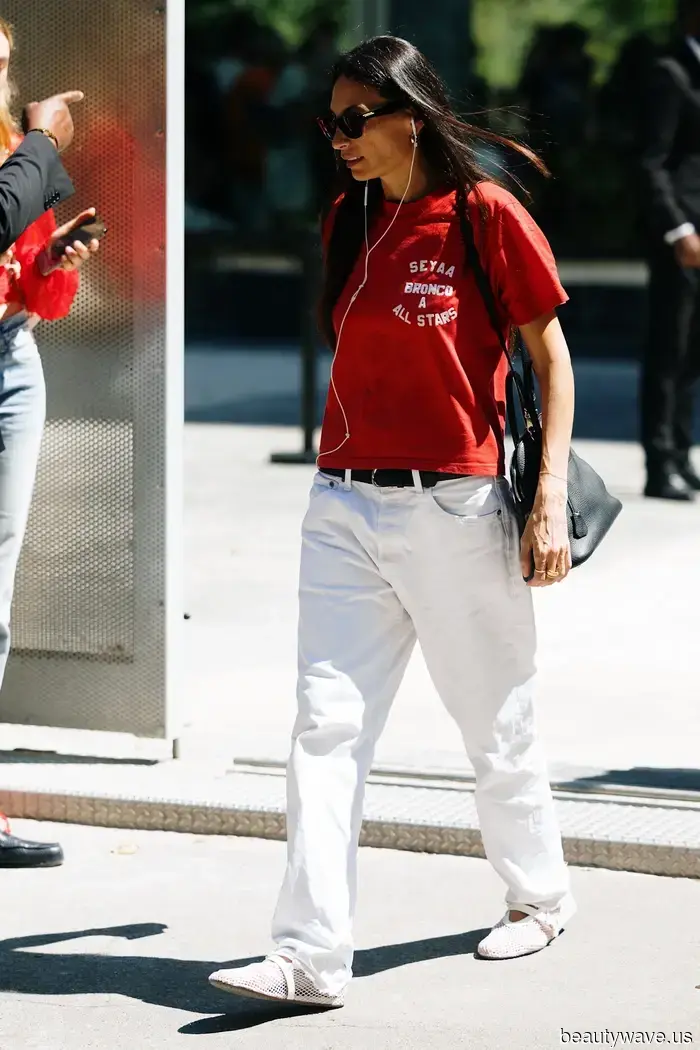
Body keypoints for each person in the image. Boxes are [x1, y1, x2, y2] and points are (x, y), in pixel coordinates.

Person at [209, 35, 576, 1008]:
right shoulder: (349, 221)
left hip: (454, 507)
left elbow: (552, 361)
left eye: (354, 120)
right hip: (341, 506)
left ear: (409, 113)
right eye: (329, 122)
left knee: (494, 724)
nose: (338, 138)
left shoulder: (484, 216)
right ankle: (309, 957)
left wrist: (543, 502)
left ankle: (538, 898)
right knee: (323, 731)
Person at [0, 17, 99, 868]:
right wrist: (38, 140)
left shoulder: (9, 146)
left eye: (1, 64)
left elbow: (36, 288)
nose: (0, 78)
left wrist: (54, 262)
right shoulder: (20, 152)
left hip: (10, 359)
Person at [640, 0, 700, 500]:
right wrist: (679, 228)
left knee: (694, 351)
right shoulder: (670, 72)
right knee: (669, 349)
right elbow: (652, 161)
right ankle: (659, 462)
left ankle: (682, 452)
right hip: (682, 234)